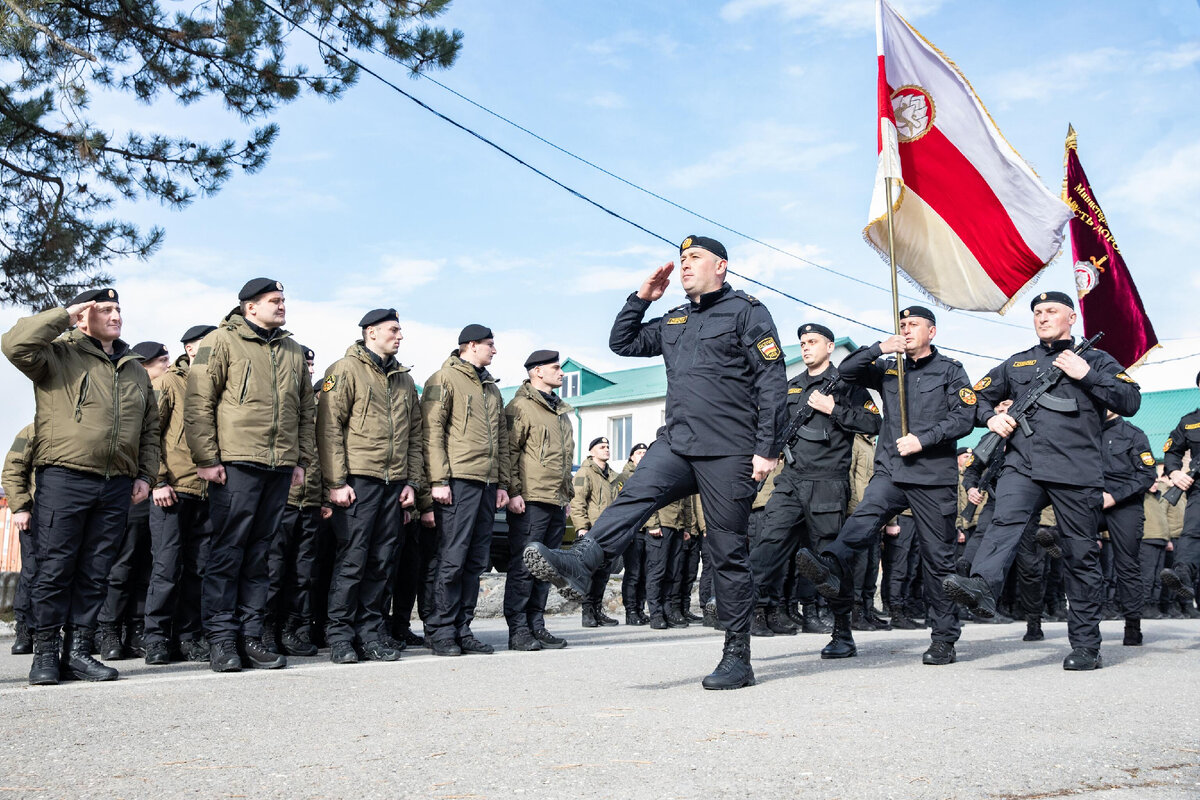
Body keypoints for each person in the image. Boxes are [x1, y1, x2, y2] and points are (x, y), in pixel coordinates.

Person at [525, 235, 788, 690]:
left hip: (729, 448)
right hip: (678, 442)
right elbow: (622, 342)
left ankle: (737, 654)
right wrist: (640, 299)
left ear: (721, 266)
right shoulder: (675, 318)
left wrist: (767, 448)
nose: (685, 266)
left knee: (727, 551)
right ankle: (582, 562)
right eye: (681, 259)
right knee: (634, 495)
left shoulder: (747, 311)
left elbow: (772, 380)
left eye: (695, 259)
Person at [944, 291, 1141, 670]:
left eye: (1051, 311)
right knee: (1004, 521)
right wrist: (989, 418)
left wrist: (1087, 375)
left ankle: (1086, 645)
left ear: (1071, 318)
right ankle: (982, 587)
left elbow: (1130, 400)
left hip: (1076, 469)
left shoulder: (1095, 359)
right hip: (1024, 463)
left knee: (1080, 556)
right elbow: (974, 397)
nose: (1042, 317)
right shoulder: (1019, 362)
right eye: (1037, 312)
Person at [794, 306, 975, 666]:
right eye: (902, 325)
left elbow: (964, 417)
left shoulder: (950, 370)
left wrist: (924, 439)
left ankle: (943, 639)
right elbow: (847, 371)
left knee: (938, 562)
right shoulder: (891, 367)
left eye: (914, 325)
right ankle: (828, 564)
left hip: (932, 478)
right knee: (862, 519)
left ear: (932, 332)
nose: (906, 330)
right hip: (891, 472)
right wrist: (879, 347)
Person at [2, 289, 159, 685]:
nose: (115, 315)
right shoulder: (58, 354)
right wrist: (65, 315)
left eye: (119, 308)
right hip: (65, 476)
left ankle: (78, 652)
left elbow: (150, 430)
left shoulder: (135, 369)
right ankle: (45, 655)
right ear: (84, 315)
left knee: (95, 572)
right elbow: (14, 344)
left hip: (116, 483)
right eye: (104, 309)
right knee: (55, 569)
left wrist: (145, 475)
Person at [185, 278, 315, 672]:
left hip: (279, 464)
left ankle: (251, 636)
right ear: (250, 307)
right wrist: (207, 458)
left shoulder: (292, 349)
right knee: (228, 552)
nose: (282, 306)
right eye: (274, 301)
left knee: (261, 555)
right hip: (236, 461)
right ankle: (222, 640)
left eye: (284, 300)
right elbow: (199, 401)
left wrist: (301, 461)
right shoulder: (221, 341)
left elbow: (306, 410)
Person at [751, 323, 881, 637]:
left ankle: (840, 627)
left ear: (830, 346)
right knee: (768, 542)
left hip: (827, 482)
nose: (806, 347)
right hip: (791, 479)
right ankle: (754, 609)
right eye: (802, 342)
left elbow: (874, 422)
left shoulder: (848, 384)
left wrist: (834, 409)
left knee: (828, 557)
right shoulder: (792, 385)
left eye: (812, 341)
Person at [318, 309, 424, 664]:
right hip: (358, 480)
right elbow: (329, 427)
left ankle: (370, 632)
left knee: (382, 561)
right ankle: (340, 635)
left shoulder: (404, 380)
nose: (400, 335)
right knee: (353, 559)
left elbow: (415, 436)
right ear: (371, 331)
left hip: (394, 483)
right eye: (393, 330)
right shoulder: (344, 370)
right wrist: (335, 482)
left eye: (400, 330)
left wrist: (412, 482)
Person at [422, 324, 511, 656]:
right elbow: (431, 432)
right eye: (490, 344)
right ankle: (441, 630)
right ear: (471, 345)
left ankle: (463, 628)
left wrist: (501, 483)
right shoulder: (443, 379)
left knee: (476, 561)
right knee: (452, 559)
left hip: (487, 484)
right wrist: (439, 480)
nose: (494, 350)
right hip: (458, 480)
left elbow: (501, 440)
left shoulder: (491, 387)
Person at [142, 326, 217, 665]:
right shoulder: (169, 382)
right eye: (205, 346)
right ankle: (156, 638)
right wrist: (158, 480)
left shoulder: (218, 386)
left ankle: (189, 637)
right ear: (189, 349)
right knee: (167, 567)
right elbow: (150, 432)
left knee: (199, 570)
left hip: (208, 492)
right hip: (173, 490)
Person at [96, 341, 171, 660]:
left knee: (148, 563)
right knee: (122, 562)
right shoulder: (133, 396)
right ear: (144, 366)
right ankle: (109, 628)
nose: (167, 367)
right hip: (130, 489)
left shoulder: (163, 396)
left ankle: (136, 628)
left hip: (149, 484)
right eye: (161, 362)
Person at [502, 350, 575, 651]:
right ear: (536, 372)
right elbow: (508, 452)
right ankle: (518, 629)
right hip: (530, 499)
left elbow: (566, 459)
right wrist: (514, 491)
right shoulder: (520, 406)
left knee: (547, 567)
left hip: (555, 499)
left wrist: (567, 495)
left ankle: (536, 625)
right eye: (555, 368)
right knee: (524, 565)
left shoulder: (561, 413)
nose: (561, 373)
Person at [267, 346, 327, 658]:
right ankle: (266, 630)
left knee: (304, 574)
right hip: (284, 499)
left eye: (312, 364)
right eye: (305, 364)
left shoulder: (317, 405)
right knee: (274, 571)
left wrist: (325, 496)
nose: (310, 369)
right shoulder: (282, 402)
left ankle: (292, 630)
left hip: (312, 501)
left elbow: (325, 455)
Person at [1097, 412, 1156, 645]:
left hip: (1125, 505)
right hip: (1091, 500)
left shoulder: (1133, 434)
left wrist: (1114, 496)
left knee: (1127, 565)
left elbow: (1147, 474)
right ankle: (1084, 621)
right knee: (1077, 554)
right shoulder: (1084, 429)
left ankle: (1133, 625)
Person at [569, 437, 620, 627]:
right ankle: (587, 612)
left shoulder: (613, 476)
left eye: (608, 446)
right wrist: (582, 527)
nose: (606, 450)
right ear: (592, 452)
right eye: (602, 447)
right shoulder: (585, 473)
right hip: (591, 532)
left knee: (603, 574)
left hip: (608, 532)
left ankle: (598, 611)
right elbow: (577, 501)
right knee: (589, 573)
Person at [1159, 372, 1200, 606]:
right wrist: (1174, 472)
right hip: (1199, 488)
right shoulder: (1190, 421)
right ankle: (1182, 574)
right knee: (1191, 533)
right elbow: (1172, 450)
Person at [2, 423, 37, 655]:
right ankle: (24, 630)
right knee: (32, 573)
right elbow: (12, 469)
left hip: (71, 519)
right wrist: (20, 507)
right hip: (35, 517)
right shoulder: (30, 431)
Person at [617, 443, 650, 625]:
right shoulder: (624, 477)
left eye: (645, 453)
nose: (643, 455)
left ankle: (640, 609)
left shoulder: (650, 473)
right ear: (631, 457)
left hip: (648, 529)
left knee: (645, 573)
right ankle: (631, 611)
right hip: (632, 530)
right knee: (633, 572)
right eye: (639, 453)